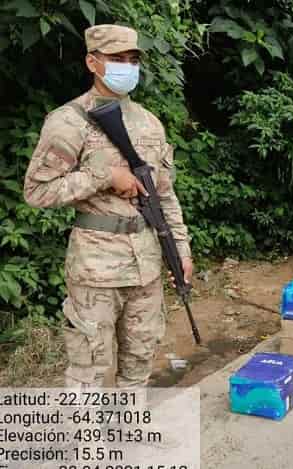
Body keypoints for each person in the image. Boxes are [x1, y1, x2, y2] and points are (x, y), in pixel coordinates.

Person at [23, 25, 193, 388]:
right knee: (90, 371)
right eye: (117, 59)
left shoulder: (149, 123)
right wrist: (101, 176)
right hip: (95, 270)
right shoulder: (68, 122)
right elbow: (37, 191)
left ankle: (129, 435)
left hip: (146, 265)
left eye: (132, 60)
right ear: (92, 62)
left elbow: (164, 195)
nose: (127, 67)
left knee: (139, 361)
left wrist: (181, 251)